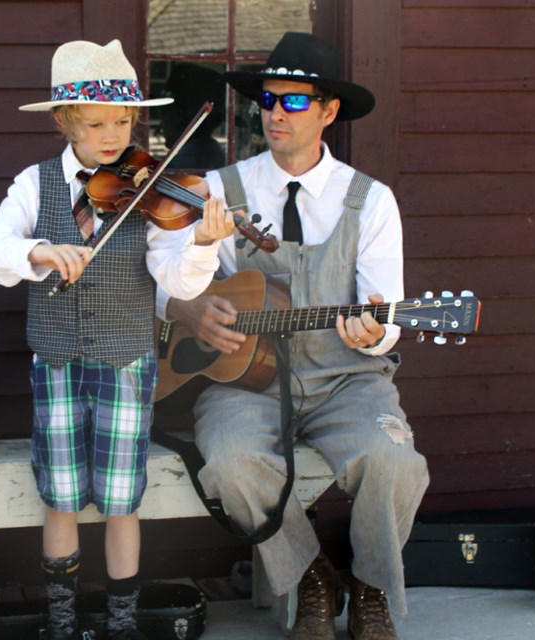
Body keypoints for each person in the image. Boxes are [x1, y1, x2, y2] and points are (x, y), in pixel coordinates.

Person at [159, 33, 429, 640]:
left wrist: (373, 335)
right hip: (244, 380)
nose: (276, 111)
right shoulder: (221, 188)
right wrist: (190, 309)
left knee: (394, 461)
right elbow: (164, 281)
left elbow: (384, 316)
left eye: (295, 101)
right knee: (229, 464)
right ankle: (310, 576)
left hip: (346, 378)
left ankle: (371, 589)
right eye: (268, 97)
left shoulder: (372, 202)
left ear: (329, 111)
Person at [0, 40, 234, 640]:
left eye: (123, 120)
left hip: (126, 360)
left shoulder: (149, 186)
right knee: (61, 494)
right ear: (65, 121)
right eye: (96, 124)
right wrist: (36, 250)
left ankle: (121, 622)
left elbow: (173, 279)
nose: (113, 135)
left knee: (122, 497)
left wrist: (202, 244)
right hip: (57, 361)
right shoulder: (34, 184)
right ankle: (62, 620)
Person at [157, 62, 227, 170]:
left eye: (164, 115)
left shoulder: (185, 161)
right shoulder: (211, 150)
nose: (161, 127)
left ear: (177, 116)